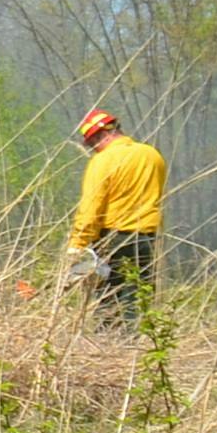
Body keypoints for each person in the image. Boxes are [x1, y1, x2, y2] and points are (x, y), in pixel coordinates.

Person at [66, 107, 168, 326]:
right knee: (138, 299)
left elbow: (91, 207)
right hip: (147, 239)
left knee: (110, 301)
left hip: (113, 240)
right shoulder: (152, 155)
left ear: (101, 136)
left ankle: (108, 347)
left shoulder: (103, 161)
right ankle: (135, 349)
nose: (92, 150)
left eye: (91, 143)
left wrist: (77, 244)